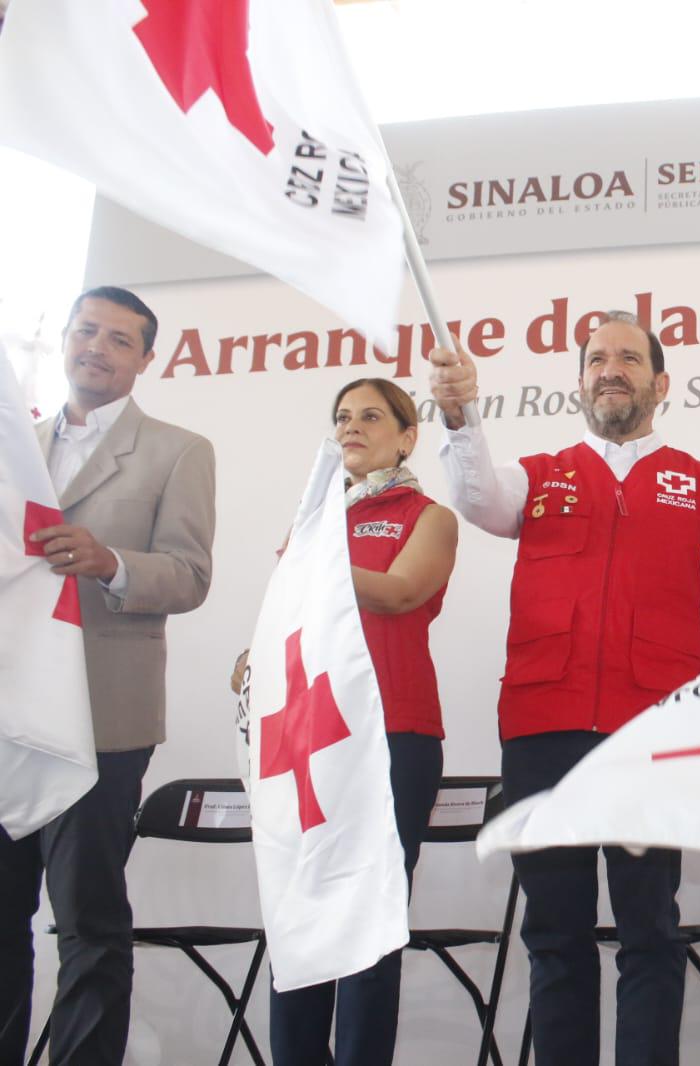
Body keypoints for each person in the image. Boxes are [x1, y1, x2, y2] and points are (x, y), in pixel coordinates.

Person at [427, 311, 700, 1066]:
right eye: (597, 358)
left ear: (660, 383)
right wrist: (460, 413)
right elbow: (477, 497)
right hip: (544, 726)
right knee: (555, 932)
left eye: (629, 358)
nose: (611, 369)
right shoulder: (538, 477)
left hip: (656, 734)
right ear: (579, 382)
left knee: (650, 930)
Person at [0, 286, 216, 1065]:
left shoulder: (176, 450)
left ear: (146, 359)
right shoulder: (16, 446)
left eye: (119, 339)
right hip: (11, 712)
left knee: (87, 920)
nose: (97, 347)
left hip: (103, 719)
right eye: (86, 331)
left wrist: (109, 562)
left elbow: (189, 577)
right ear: (63, 338)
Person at [263, 378, 457, 1065]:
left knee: (367, 924)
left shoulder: (428, 516)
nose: (352, 426)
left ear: (407, 437)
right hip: (308, 739)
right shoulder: (314, 521)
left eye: (372, 416)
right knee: (301, 914)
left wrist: (314, 565)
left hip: (391, 733)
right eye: (343, 416)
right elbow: (287, 622)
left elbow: (401, 592)